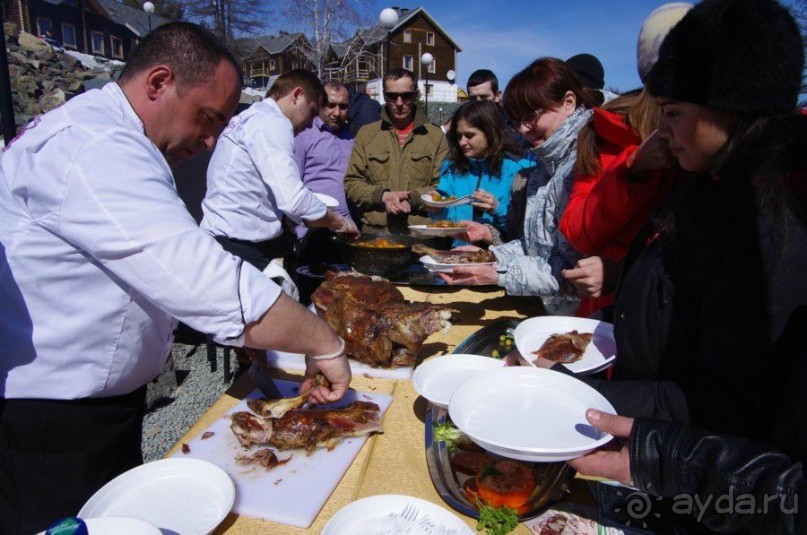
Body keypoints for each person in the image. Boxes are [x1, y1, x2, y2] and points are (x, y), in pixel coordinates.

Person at [0, 23, 351, 534]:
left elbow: (153, 270)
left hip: (93, 407)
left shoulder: (114, 135)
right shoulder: (96, 145)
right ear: (159, 82)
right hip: (57, 424)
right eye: (207, 119)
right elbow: (202, 278)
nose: (210, 142)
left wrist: (241, 330)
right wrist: (324, 342)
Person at [548, 2, 806, 530]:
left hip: (714, 496)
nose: (661, 131)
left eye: (673, 113)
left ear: (729, 108)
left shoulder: (769, 231)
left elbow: (720, 401)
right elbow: (680, 285)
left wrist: (571, 394)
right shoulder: (706, 178)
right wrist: (623, 277)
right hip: (668, 451)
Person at [560, 4, 691, 317]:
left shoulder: (738, 144)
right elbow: (577, 231)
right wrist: (631, 170)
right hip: (611, 317)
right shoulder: (609, 131)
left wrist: (623, 272)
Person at [440, 58, 599, 297]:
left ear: (568, 102)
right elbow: (533, 249)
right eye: (517, 121)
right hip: (543, 310)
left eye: (531, 115)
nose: (524, 129)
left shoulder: (590, 163)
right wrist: (486, 255)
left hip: (582, 319)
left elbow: (574, 269)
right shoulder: (542, 170)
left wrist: (498, 272)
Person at [200, 69, 358, 273]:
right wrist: (340, 223)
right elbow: (294, 199)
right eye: (311, 111)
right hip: (238, 247)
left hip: (225, 241)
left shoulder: (252, 117)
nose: (311, 123)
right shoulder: (273, 122)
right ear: (297, 95)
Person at [344, 68, 448, 234]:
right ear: (384, 96)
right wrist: (382, 196)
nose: (399, 103)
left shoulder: (435, 137)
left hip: (421, 235)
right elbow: (352, 182)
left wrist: (412, 199)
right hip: (377, 235)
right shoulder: (367, 134)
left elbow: (443, 186)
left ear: (416, 95)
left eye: (406, 96)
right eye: (392, 96)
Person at [428, 100, 531, 246]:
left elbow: (524, 229)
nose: (462, 142)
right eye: (458, 136)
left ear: (490, 132)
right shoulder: (454, 168)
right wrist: (437, 209)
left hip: (501, 260)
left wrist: (497, 209)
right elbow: (450, 222)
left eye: (469, 135)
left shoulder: (519, 171)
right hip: (460, 256)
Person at [293, 81, 357, 266]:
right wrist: (298, 233)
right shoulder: (303, 135)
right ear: (320, 103)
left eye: (343, 107)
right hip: (315, 231)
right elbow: (292, 184)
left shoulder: (351, 138)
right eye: (331, 105)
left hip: (347, 232)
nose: (337, 113)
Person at [467, 68, 530, 158]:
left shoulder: (515, 127)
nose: (478, 102)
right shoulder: (462, 126)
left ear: (497, 96)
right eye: (473, 98)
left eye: (483, 97)